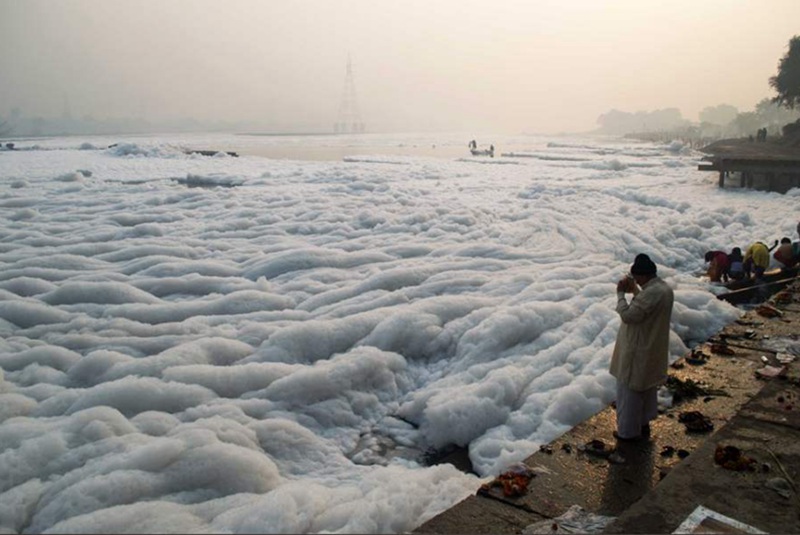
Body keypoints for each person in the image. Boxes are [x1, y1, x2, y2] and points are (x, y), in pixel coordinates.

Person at [609, 254, 675, 442]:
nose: (635, 280)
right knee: (646, 388)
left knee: (629, 393)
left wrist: (621, 294)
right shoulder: (663, 289)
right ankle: (643, 423)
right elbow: (646, 307)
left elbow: (629, 316)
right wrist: (636, 290)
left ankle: (628, 433)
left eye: (636, 277)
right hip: (651, 347)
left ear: (643, 275)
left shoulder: (651, 293)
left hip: (637, 349)